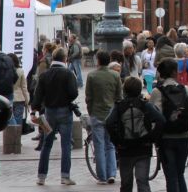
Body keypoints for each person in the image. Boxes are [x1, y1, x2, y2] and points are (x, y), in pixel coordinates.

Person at [107, 76, 165, 192]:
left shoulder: (119, 106)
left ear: (124, 90)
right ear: (140, 90)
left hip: (125, 150)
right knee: (143, 182)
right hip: (143, 148)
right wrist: (151, 138)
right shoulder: (145, 105)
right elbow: (160, 120)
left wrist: (117, 141)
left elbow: (109, 123)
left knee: (126, 186)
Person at [150, 58, 188, 192]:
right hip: (184, 136)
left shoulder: (157, 91)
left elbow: (156, 116)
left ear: (160, 73)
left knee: (171, 177)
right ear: (175, 72)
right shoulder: (185, 89)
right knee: (180, 174)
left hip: (167, 138)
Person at [31, 47, 80, 185]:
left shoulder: (44, 75)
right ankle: (65, 176)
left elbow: (38, 95)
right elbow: (74, 92)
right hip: (65, 112)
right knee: (66, 145)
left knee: (47, 144)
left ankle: (41, 176)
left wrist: (33, 111)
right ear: (65, 59)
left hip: (48, 114)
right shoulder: (68, 74)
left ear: (52, 58)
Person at [86, 49, 123, 184]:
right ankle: (112, 173)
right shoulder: (115, 75)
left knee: (99, 145)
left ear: (98, 61)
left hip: (97, 113)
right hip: (111, 113)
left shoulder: (92, 76)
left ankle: (101, 176)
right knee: (110, 145)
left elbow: (89, 98)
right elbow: (119, 96)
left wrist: (91, 112)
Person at [9, 52, 29, 126]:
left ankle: (10, 134)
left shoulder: (6, 71)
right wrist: (27, 100)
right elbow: (24, 87)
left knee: (9, 118)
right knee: (18, 118)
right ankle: (17, 134)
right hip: (19, 98)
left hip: (8, 97)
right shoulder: (20, 71)